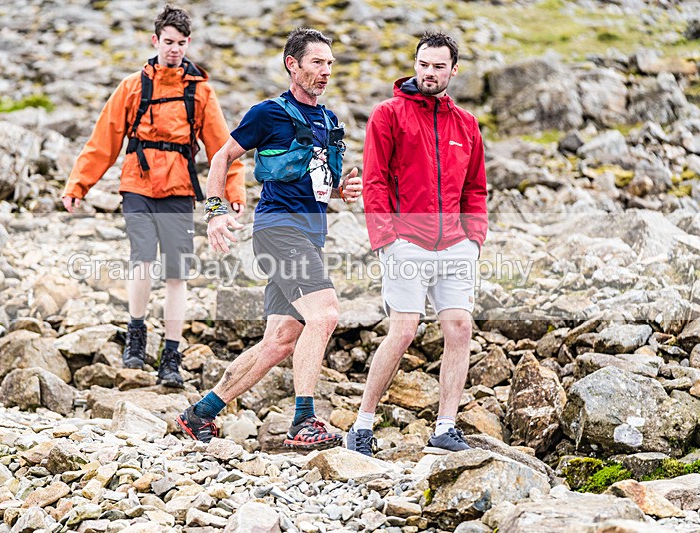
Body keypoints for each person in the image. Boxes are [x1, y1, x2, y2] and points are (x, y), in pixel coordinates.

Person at [176, 27, 363, 449]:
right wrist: (214, 212)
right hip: (279, 229)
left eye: (330, 63)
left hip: (310, 234)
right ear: (292, 65)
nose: (326, 71)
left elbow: (315, 180)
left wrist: (340, 190)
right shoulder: (267, 113)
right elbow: (222, 156)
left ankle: (200, 413)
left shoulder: (328, 119)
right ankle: (304, 421)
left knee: (279, 340)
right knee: (326, 314)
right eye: (317, 62)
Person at [62, 5, 245, 388]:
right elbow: (104, 141)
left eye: (181, 43)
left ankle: (171, 356)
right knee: (142, 261)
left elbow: (222, 148)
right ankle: (136, 337)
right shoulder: (132, 87)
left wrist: (233, 190)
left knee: (177, 274)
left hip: (179, 188)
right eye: (168, 42)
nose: (174, 49)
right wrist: (78, 185)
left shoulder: (200, 92)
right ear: (155, 40)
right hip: (137, 186)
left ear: (188, 43)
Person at [351, 31, 488, 456]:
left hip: (456, 245)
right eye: (423, 65)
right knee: (405, 329)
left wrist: (475, 239)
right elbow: (373, 180)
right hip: (405, 241)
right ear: (415, 65)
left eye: (439, 67)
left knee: (460, 328)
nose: (430, 73)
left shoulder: (466, 124)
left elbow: (476, 188)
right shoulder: (388, 115)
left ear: (453, 70)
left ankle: (445, 428)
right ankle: (362, 425)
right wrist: (385, 239)